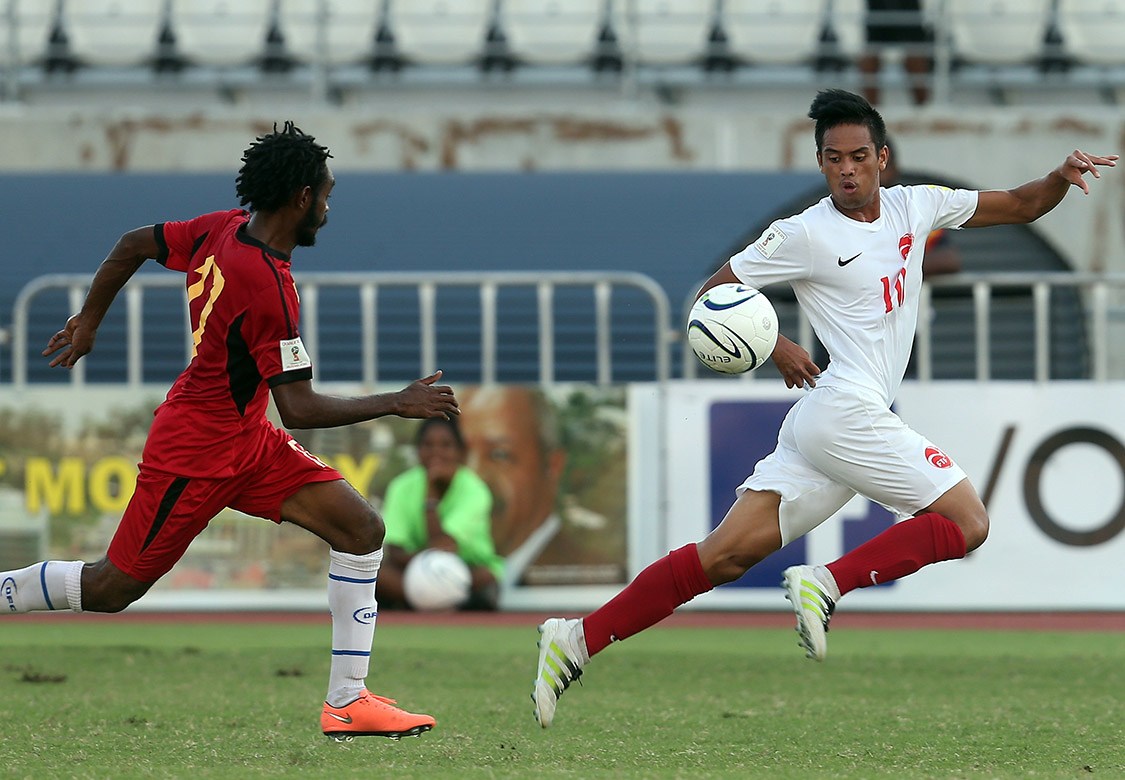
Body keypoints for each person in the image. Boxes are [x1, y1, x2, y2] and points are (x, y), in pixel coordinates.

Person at [531, 89, 1116, 729]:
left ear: (882, 158)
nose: (847, 169)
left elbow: (1023, 205)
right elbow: (714, 290)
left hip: (828, 422)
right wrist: (773, 343)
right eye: (834, 158)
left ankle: (577, 638)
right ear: (820, 163)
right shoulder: (806, 232)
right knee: (968, 520)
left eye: (859, 156)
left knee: (722, 557)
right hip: (842, 410)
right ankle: (828, 583)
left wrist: (1059, 178)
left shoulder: (915, 205)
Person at [3, 122, 461, 742]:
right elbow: (298, 408)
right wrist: (398, 402)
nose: (328, 209)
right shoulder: (267, 285)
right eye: (326, 196)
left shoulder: (223, 227)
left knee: (361, 529)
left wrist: (89, 319)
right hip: (194, 451)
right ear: (301, 198)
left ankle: (347, 702)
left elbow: (134, 242)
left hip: (247, 440)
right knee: (112, 587)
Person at [459, 385, 626, 588]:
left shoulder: (592, 573)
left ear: (552, 466)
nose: (473, 476)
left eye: (499, 455)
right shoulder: (454, 561)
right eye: (461, 455)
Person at [376, 416, 504, 610]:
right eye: (428, 445)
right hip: (410, 573)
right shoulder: (401, 487)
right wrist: (424, 577)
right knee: (378, 575)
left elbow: (445, 549)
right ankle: (438, 602)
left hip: (467, 570)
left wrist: (430, 499)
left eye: (446, 445)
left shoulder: (475, 490)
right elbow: (396, 551)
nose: (436, 452)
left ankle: (425, 602)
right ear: (418, 451)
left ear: (461, 452)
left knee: (486, 578)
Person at [859, 0, 934, 106]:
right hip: (878, 22)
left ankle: (923, 108)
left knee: (915, 58)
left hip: (909, 21)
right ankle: (871, 110)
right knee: (868, 61)